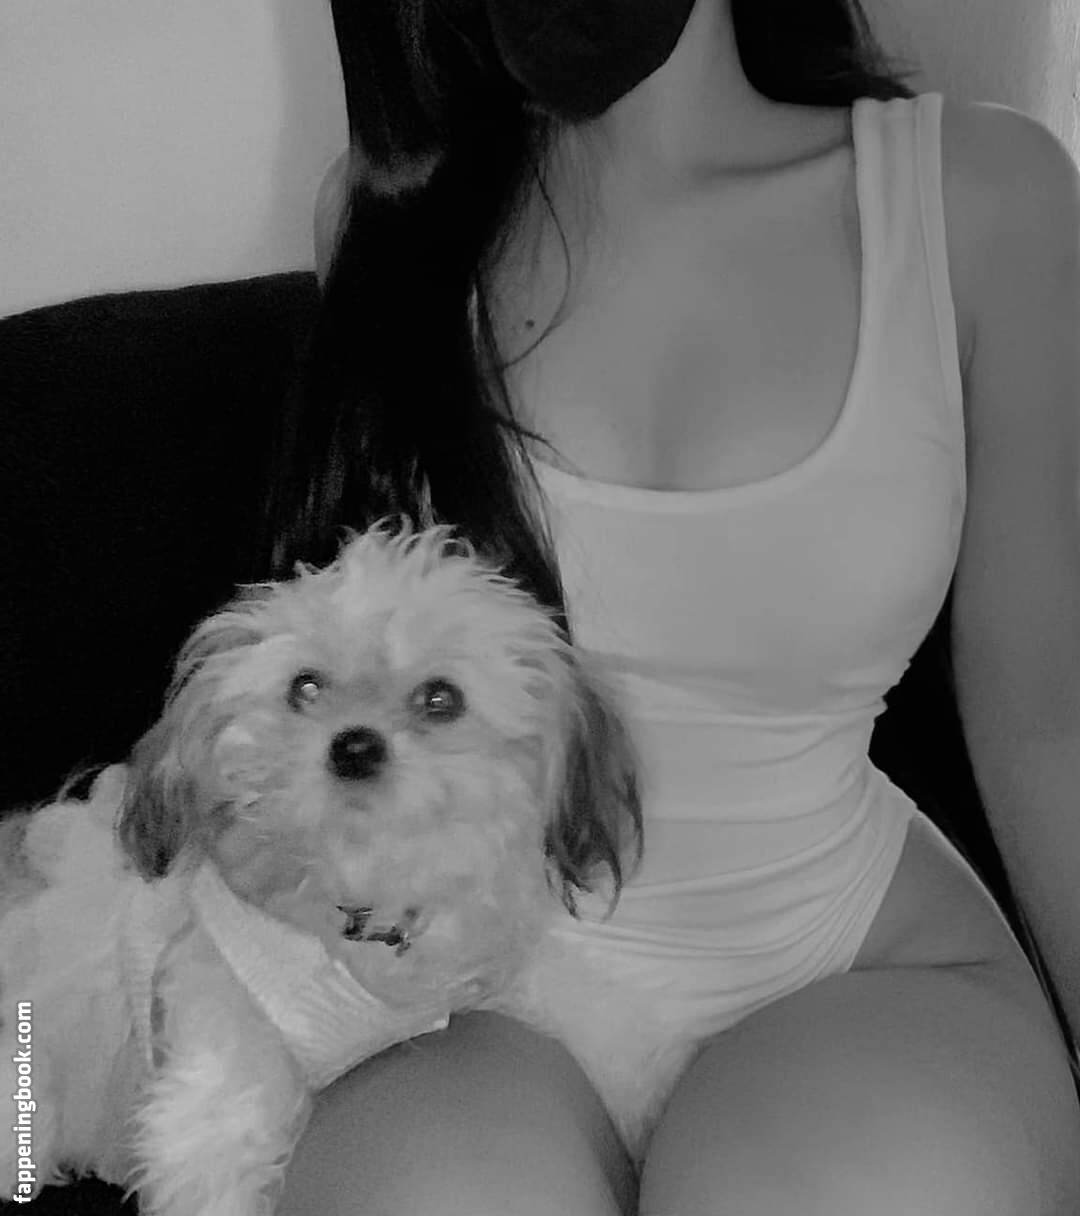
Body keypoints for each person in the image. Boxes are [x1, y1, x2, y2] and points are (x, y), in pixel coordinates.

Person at [269, 1, 1080, 1212]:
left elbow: (1049, 717)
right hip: (490, 995)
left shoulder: (983, 196)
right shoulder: (388, 218)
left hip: (851, 957)